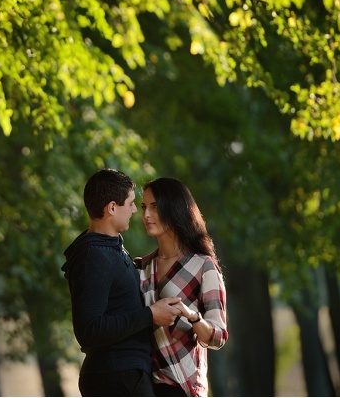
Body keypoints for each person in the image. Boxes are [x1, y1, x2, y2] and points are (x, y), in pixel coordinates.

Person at [62, 168, 180, 397]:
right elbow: (88, 330)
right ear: (112, 208)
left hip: (127, 374)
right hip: (116, 377)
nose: (136, 210)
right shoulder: (93, 257)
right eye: (131, 203)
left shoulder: (111, 248)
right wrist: (150, 315)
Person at [135, 177, 228, 397]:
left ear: (174, 208)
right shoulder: (141, 267)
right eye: (143, 207)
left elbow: (217, 337)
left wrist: (192, 316)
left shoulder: (203, 265)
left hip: (184, 388)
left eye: (155, 207)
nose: (146, 215)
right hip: (145, 386)